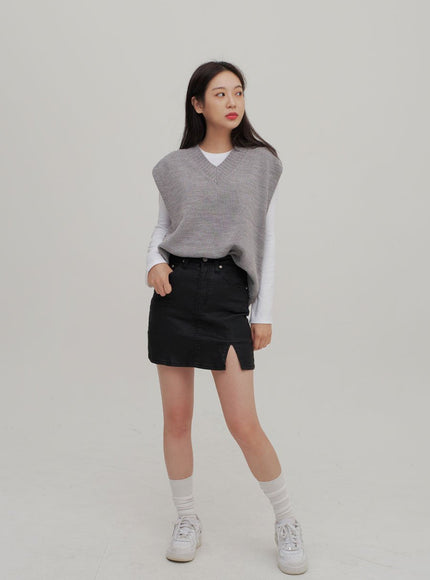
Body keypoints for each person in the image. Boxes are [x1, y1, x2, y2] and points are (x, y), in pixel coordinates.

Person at [146, 61, 308, 575]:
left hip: (227, 292)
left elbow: (268, 240)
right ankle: (187, 519)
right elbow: (162, 229)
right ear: (198, 104)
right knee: (176, 420)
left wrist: (264, 312)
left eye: (238, 92)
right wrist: (152, 263)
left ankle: (286, 520)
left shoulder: (261, 164)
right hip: (175, 294)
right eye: (220, 93)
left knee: (243, 422)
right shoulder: (173, 167)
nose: (232, 101)